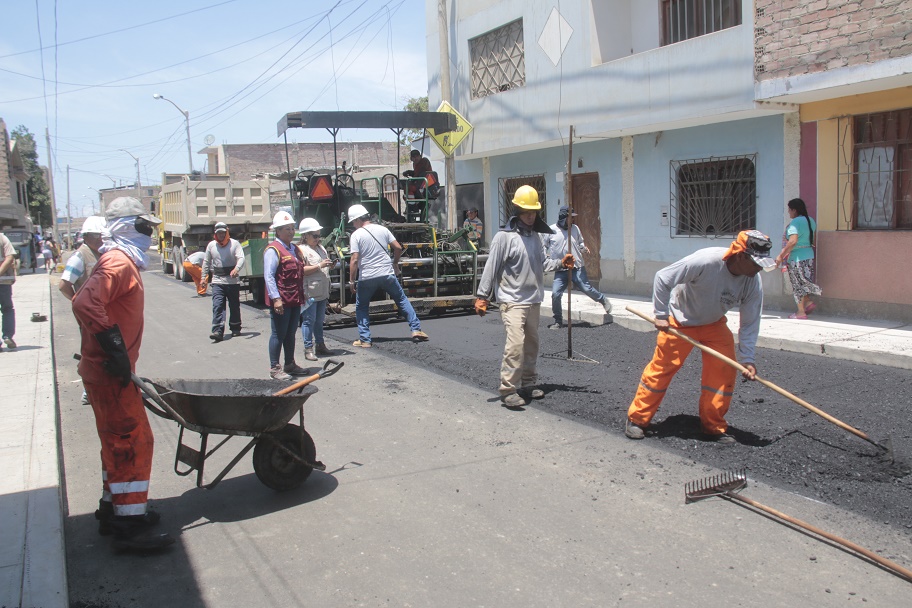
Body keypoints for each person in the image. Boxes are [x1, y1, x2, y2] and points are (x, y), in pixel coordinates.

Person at [71, 196, 173, 551]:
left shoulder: (118, 260)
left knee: (116, 443)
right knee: (134, 441)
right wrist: (112, 347)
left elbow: (86, 301)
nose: (148, 234)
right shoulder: (118, 263)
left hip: (104, 371)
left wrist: (105, 347)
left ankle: (114, 509)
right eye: (144, 227)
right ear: (126, 227)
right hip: (110, 373)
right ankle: (129, 526)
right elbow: (84, 302)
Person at [625, 230, 776, 445]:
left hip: (714, 324)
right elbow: (663, 277)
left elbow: (750, 320)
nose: (760, 268)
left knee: (724, 371)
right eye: (756, 263)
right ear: (741, 255)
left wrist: (748, 359)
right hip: (681, 321)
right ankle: (637, 420)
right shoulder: (706, 261)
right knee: (661, 370)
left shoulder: (752, 280)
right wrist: (660, 315)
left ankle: (713, 427)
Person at [474, 186, 574, 408]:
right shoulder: (504, 237)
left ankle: (528, 383)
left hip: (533, 300)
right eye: (526, 212)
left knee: (531, 345)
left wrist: (561, 263)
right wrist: (482, 296)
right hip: (512, 301)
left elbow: (544, 263)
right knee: (516, 344)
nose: (531, 216)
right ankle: (508, 389)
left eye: (534, 212)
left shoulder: (536, 237)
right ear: (517, 211)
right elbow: (491, 267)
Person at [347, 203, 429, 347]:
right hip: (386, 274)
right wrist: (395, 263)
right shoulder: (383, 229)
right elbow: (397, 247)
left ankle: (365, 340)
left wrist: (352, 281)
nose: (354, 225)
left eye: (353, 222)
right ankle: (416, 329)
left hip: (367, 277)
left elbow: (354, 259)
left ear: (358, 219)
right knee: (402, 300)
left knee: (362, 307)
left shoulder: (356, 235)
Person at [542, 205, 612, 329]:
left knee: (586, 288)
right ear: (564, 218)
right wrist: (546, 257)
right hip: (561, 268)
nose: (572, 220)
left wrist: (583, 248)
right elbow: (543, 245)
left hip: (577, 267)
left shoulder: (575, 228)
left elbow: (580, 242)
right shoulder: (551, 230)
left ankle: (603, 300)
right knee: (555, 294)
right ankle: (558, 320)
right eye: (570, 218)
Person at [264, 211, 308, 380]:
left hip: (294, 299)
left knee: (290, 333)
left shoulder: (294, 249)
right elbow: (269, 276)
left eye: (292, 228)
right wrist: (276, 299)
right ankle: (275, 368)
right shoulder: (273, 250)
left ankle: (290, 363)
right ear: (278, 231)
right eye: (286, 229)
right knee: (278, 333)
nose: (291, 231)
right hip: (281, 299)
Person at [774, 198, 821, 319]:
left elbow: (792, 241)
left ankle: (801, 312)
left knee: (797, 284)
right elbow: (813, 240)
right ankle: (808, 302)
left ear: (794, 210)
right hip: (809, 255)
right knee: (803, 281)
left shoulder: (795, 223)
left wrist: (781, 256)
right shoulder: (811, 220)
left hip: (797, 257)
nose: (789, 212)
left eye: (789, 210)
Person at [297, 217, 334, 361]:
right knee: (308, 320)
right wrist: (319, 266)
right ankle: (308, 349)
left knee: (319, 321)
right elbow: (301, 270)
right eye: (315, 235)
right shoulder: (301, 250)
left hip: (322, 291)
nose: (318, 238)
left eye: (319, 235)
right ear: (305, 235)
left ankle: (320, 344)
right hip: (310, 292)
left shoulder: (321, 248)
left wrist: (328, 265)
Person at [202, 222, 245, 341]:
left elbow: (241, 258)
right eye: (218, 233)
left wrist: (237, 269)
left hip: (232, 282)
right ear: (215, 234)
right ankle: (217, 330)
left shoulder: (234, 244)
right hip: (217, 281)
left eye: (223, 233)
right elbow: (206, 262)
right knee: (218, 305)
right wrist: (203, 278)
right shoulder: (211, 246)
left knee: (234, 306)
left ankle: (235, 328)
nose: (221, 235)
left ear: (227, 232)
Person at [59, 216, 106, 301]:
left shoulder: (105, 253)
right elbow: (64, 286)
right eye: (95, 235)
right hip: (91, 310)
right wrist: (77, 303)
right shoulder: (79, 257)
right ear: (85, 236)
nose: (100, 239)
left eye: (102, 235)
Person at [0, 231, 17, 350]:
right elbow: (10, 257)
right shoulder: (1, 238)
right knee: (7, 309)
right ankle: (8, 336)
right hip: (3, 281)